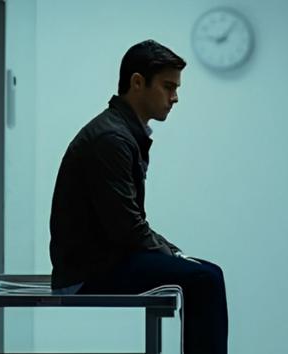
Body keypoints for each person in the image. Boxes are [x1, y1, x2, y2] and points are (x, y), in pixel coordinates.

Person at [49, 39, 227, 354]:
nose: (175, 98)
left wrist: (170, 252)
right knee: (205, 279)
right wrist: (172, 253)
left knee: (205, 274)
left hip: (101, 261)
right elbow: (126, 227)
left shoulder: (121, 133)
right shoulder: (112, 138)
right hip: (88, 272)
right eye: (168, 87)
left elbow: (127, 226)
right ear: (137, 82)